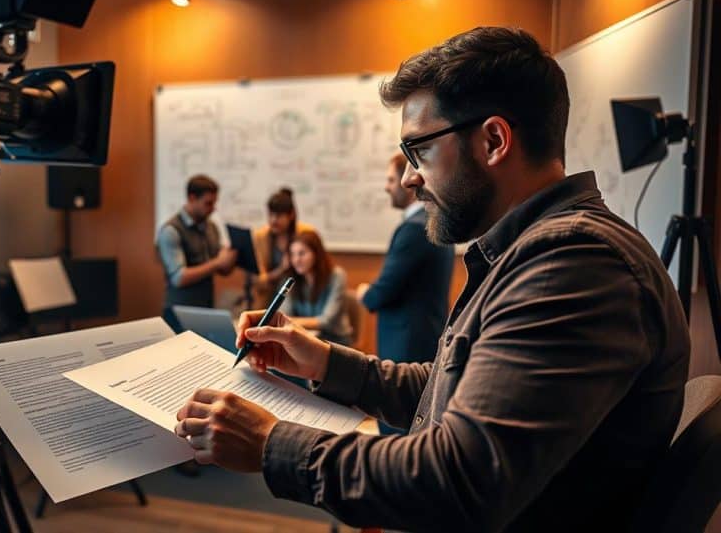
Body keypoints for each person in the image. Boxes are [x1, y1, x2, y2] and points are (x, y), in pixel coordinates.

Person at [173, 27, 690, 532]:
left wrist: (268, 442)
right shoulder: (534, 252)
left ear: (493, 141)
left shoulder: (572, 265)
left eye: (419, 150)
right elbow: (452, 385)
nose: (407, 178)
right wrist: (324, 361)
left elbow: (457, 482)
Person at [356, 153, 454, 363]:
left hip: (407, 346)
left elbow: (383, 291)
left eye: (391, 180)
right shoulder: (433, 222)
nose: (387, 187)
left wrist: (365, 292)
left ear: (409, 183)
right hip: (424, 338)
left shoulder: (414, 229)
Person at [156, 174, 238, 331]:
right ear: (192, 198)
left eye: (214, 203)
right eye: (208, 203)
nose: (213, 208)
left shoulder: (211, 227)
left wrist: (232, 257)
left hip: (206, 309)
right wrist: (217, 262)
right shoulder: (170, 230)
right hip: (179, 314)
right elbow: (179, 278)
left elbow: (222, 270)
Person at [279, 230, 353, 347]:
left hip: (335, 342)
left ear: (316, 254)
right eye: (292, 254)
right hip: (307, 338)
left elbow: (326, 321)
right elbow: (283, 313)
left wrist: (290, 321)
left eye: (302, 253)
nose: (296, 260)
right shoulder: (292, 279)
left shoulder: (337, 276)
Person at [251, 188, 315, 309]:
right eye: (270, 215)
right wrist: (281, 269)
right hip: (267, 300)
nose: (273, 220)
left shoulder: (305, 234)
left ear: (291, 215)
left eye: (279, 216)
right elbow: (258, 281)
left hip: (300, 299)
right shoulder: (261, 237)